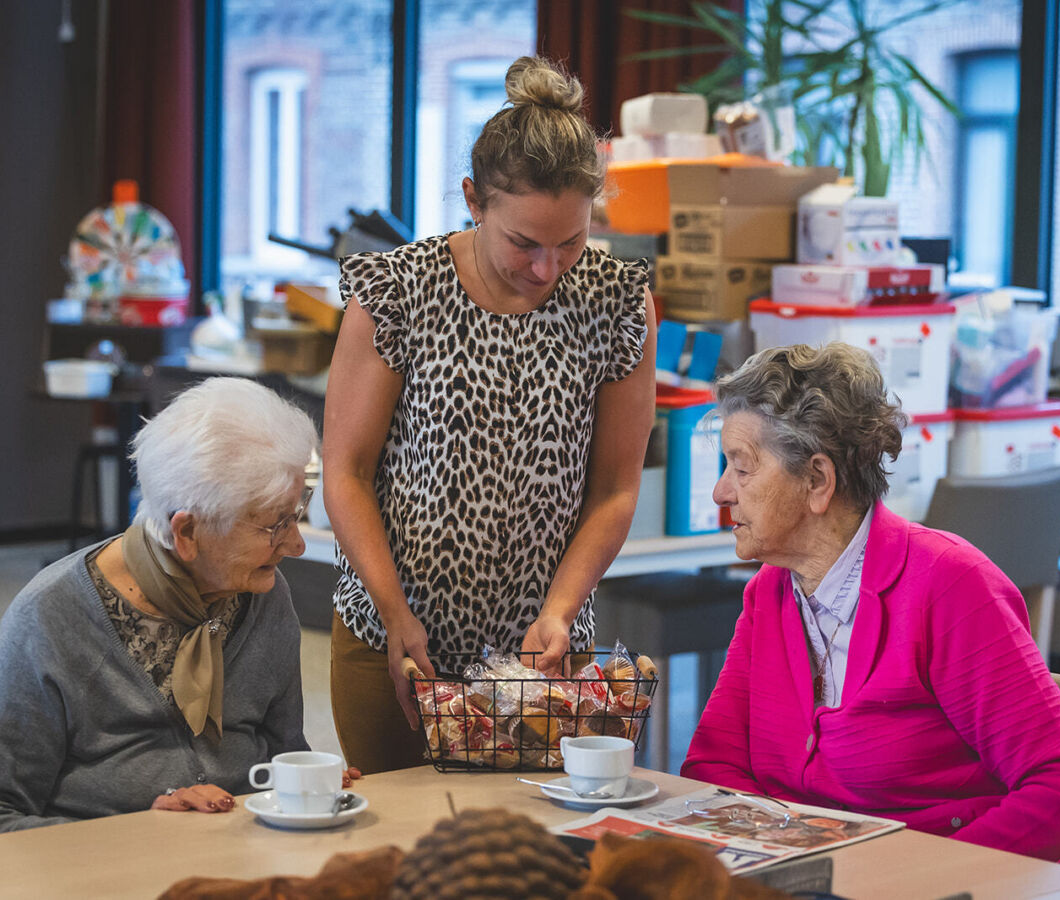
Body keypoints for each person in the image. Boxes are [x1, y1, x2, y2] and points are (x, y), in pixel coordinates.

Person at [323, 55, 656, 774]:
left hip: (543, 653)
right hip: (395, 639)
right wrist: (394, 614)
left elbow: (614, 488)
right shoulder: (399, 291)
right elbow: (346, 471)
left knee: (532, 841)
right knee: (399, 839)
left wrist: (560, 610)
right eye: (524, 244)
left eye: (570, 243)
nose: (547, 269)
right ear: (475, 200)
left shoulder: (615, 300)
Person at [681, 343, 1060, 863]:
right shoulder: (769, 592)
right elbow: (714, 767)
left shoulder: (949, 585)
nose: (721, 492)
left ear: (817, 480)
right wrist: (789, 860)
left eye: (742, 468)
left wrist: (921, 883)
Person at [0, 377, 337, 831]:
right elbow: (5, 816)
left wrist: (313, 789)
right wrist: (143, 831)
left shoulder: (265, 597)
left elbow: (284, 755)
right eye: (275, 525)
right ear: (187, 533)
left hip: (246, 852)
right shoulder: (50, 617)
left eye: (296, 515)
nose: (296, 545)